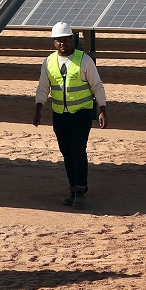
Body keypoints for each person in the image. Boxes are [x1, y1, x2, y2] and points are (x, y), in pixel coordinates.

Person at [34, 22, 107, 208]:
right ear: (54, 42)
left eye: (65, 40)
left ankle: (81, 190)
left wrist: (102, 109)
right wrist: (38, 108)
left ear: (71, 39)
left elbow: (97, 85)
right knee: (66, 153)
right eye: (58, 40)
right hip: (60, 115)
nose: (62, 43)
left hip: (81, 114)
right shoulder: (49, 62)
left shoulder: (84, 60)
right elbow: (43, 87)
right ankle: (73, 188)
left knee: (77, 150)